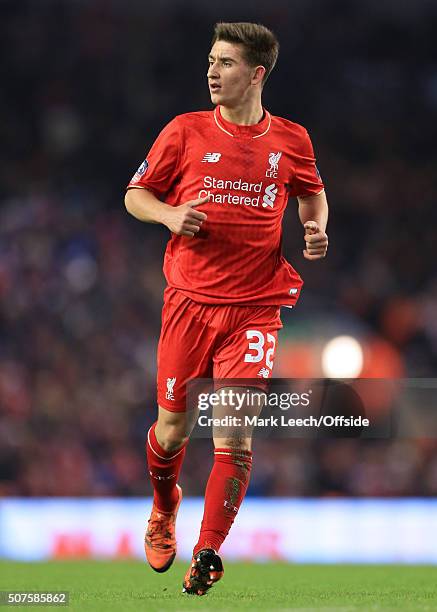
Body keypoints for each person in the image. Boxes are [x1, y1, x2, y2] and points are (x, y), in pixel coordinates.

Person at [125, 21, 329, 596]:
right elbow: (135, 193)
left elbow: (312, 191)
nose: (212, 72)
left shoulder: (291, 140)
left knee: (234, 437)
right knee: (171, 429)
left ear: (256, 73)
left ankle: (208, 550)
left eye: (226, 63)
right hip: (189, 304)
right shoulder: (185, 131)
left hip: (257, 310)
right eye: (211, 61)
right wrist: (168, 215)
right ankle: (165, 505)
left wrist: (314, 226)